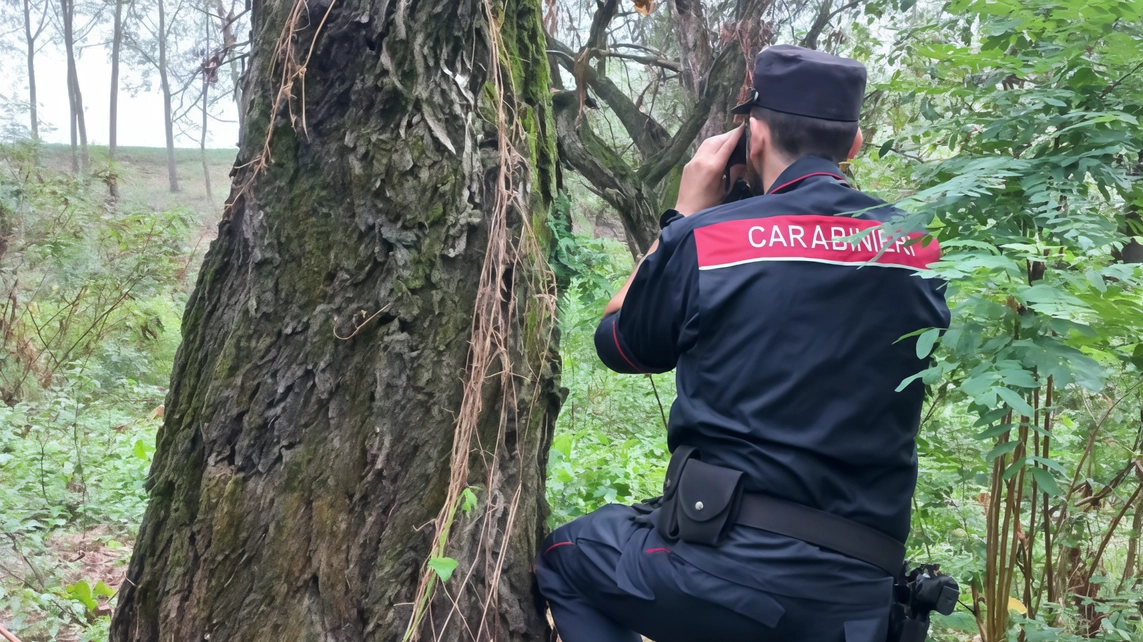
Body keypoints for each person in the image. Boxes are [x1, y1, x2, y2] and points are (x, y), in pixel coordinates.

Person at [534, 45, 951, 642]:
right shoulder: (919, 251)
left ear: (750, 137)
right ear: (854, 144)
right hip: (861, 603)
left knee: (566, 557)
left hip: (720, 568)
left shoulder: (711, 240)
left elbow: (617, 341)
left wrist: (681, 218)